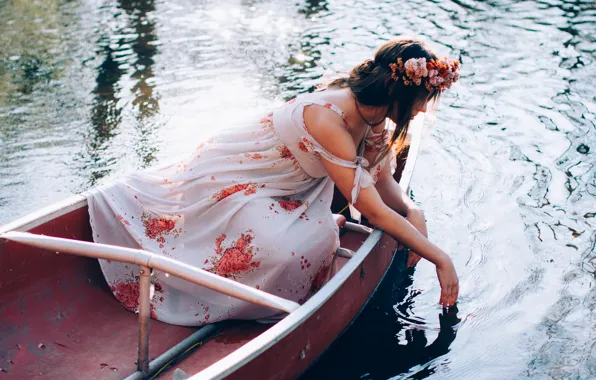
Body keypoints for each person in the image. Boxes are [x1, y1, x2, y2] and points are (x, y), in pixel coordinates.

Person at [86, 36, 460, 326]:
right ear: (399, 91)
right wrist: (439, 257)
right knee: (286, 250)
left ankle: (317, 225)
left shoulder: (374, 116)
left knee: (310, 242)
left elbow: (380, 180)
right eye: (423, 98)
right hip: (234, 180)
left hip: (286, 189)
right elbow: (372, 210)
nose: (424, 108)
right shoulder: (329, 117)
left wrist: (413, 211)